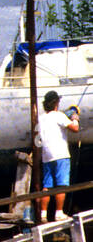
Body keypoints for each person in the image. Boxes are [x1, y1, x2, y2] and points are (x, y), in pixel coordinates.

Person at [35, 91, 80, 222]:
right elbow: (75, 129)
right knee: (62, 185)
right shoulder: (59, 116)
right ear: (56, 103)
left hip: (47, 156)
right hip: (61, 154)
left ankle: (43, 214)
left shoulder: (41, 118)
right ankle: (59, 213)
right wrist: (75, 118)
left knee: (47, 186)